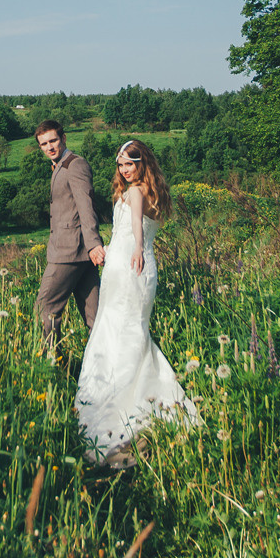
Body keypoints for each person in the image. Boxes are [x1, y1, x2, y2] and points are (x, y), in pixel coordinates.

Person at [74, 138, 198, 466]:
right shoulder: (154, 191)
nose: (125, 170)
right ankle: (149, 399)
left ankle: (118, 407)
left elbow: (134, 230)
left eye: (130, 163)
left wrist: (136, 249)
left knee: (117, 331)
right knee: (133, 334)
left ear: (142, 163)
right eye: (121, 164)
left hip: (129, 267)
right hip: (140, 268)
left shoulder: (134, 192)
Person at [35, 120, 104, 360]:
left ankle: (51, 363)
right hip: (79, 251)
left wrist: (94, 244)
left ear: (63, 139)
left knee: (45, 308)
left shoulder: (75, 165)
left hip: (69, 251)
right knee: (95, 316)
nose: (49, 147)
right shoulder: (60, 166)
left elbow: (86, 206)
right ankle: (105, 368)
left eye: (53, 141)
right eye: (44, 144)